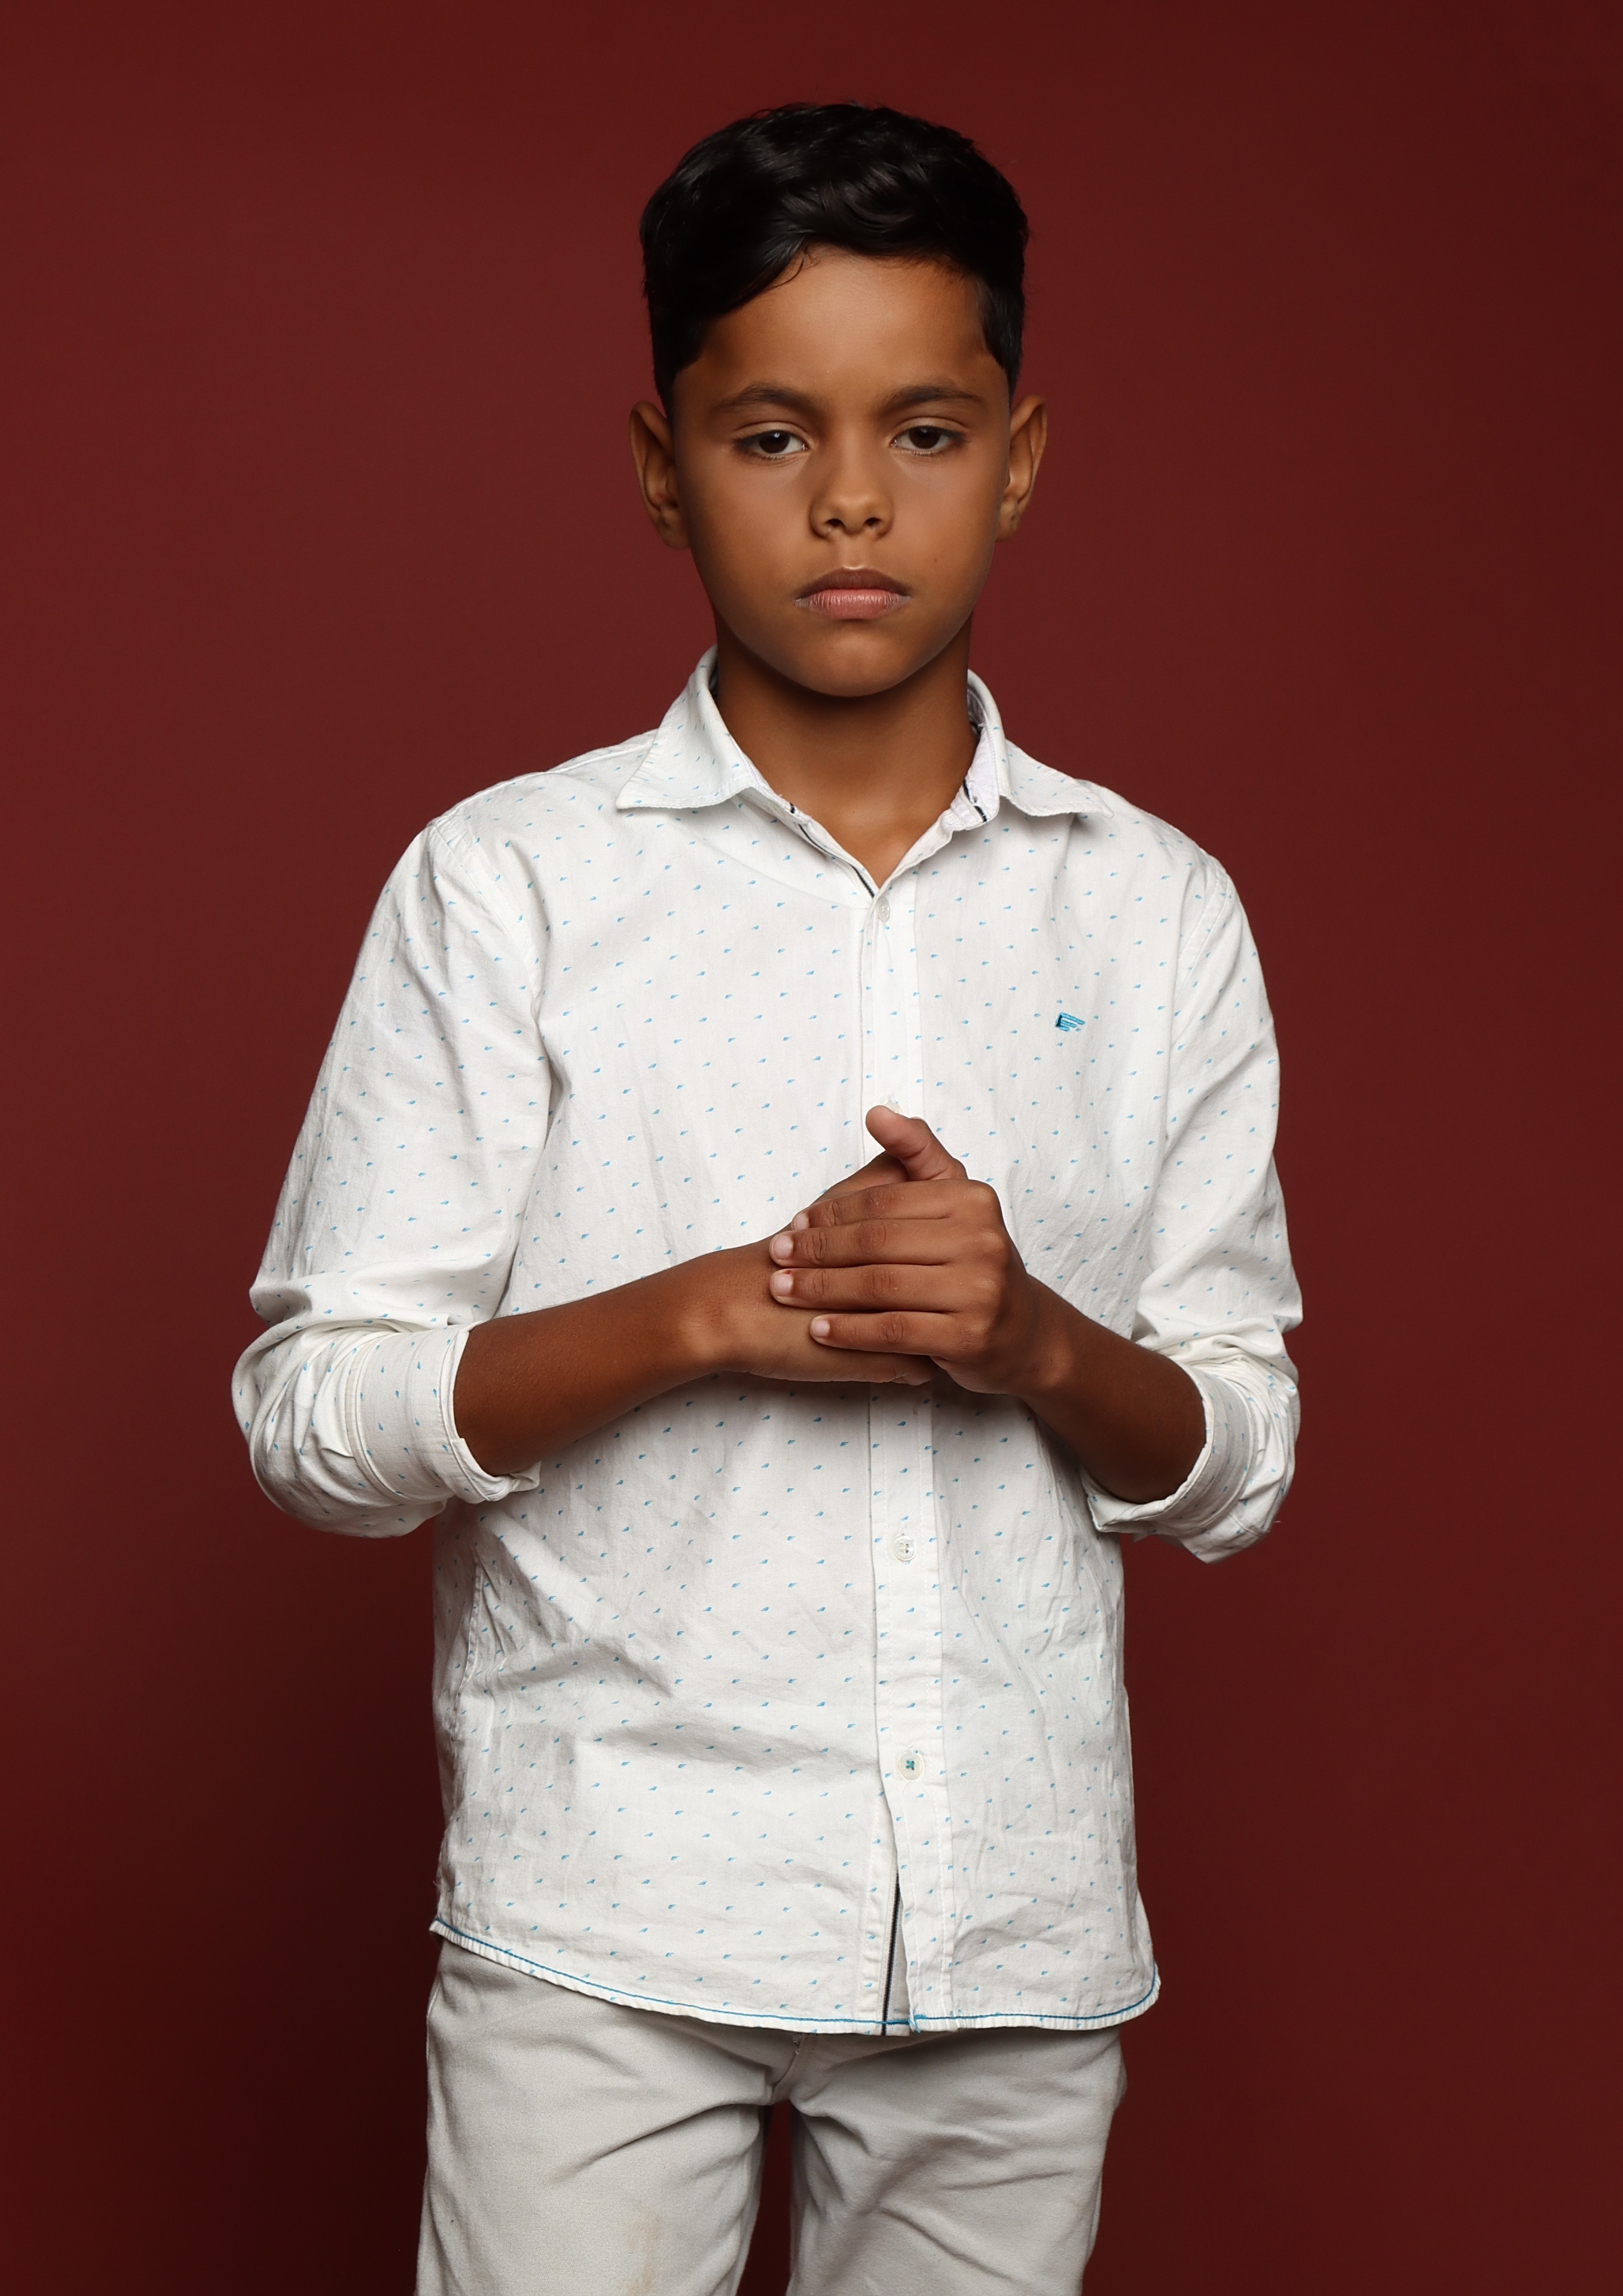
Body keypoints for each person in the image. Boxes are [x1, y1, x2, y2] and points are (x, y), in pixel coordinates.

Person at [235, 101, 1301, 2296]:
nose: (849, 502)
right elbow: (311, 1421)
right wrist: (704, 1316)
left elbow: (1240, 1459)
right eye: (769, 435)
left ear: (1018, 458)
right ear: (661, 467)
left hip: (1009, 1933)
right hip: (606, 1919)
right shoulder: (509, 887)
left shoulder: (1154, 912)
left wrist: (1035, 1344)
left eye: (923, 431)